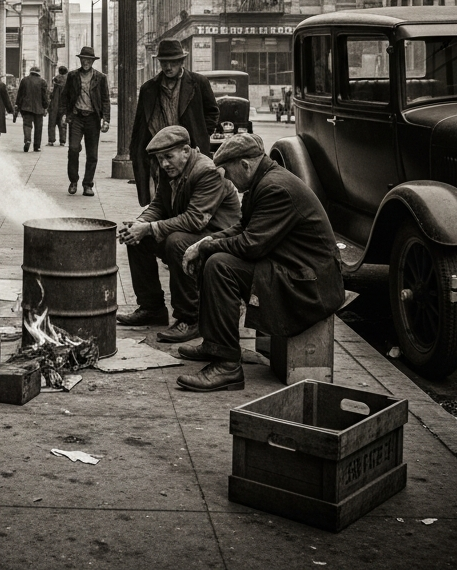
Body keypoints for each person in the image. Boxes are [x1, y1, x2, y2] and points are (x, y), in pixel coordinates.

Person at [175, 134, 345, 393]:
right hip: (295, 270)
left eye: (228, 171)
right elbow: (243, 228)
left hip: (310, 285)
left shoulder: (275, 187)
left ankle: (227, 367)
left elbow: (251, 245)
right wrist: (205, 242)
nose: (227, 179)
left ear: (245, 165)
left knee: (220, 265)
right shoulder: (261, 181)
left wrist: (207, 245)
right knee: (213, 256)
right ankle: (216, 344)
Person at [116, 126, 241, 342]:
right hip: (194, 232)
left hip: (219, 237)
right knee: (137, 239)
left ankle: (190, 318)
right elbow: (159, 206)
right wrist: (140, 224)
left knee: (177, 243)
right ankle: (151, 308)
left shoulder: (207, 171)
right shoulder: (170, 169)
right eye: (159, 158)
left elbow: (195, 219)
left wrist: (149, 228)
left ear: (185, 150)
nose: (164, 163)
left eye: (168, 157)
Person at [130, 38, 219, 206]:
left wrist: (201, 135)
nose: (168, 67)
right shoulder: (148, 89)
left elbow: (212, 112)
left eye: (172, 63)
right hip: (160, 154)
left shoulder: (198, 83)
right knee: (162, 197)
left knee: (192, 196)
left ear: (181, 62)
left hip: (190, 151)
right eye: (164, 63)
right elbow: (140, 124)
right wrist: (138, 152)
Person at [63, 45, 110, 197]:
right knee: (73, 149)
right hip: (76, 117)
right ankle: (73, 181)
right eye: (84, 59)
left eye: (89, 60)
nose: (86, 62)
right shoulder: (72, 76)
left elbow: (105, 100)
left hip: (92, 119)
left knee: (92, 154)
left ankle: (87, 184)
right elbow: (65, 96)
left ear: (92, 61)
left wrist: (106, 120)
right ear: (80, 60)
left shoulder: (100, 77)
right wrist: (64, 114)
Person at [15, 65, 50, 152]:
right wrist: (46, 107)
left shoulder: (24, 80)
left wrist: (18, 105)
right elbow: (44, 96)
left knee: (27, 125)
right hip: (39, 108)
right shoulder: (43, 82)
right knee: (38, 127)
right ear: (39, 73)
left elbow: (20, 94)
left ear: (30, 72)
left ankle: (27, 140)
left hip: (26, 107)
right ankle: (37, 146)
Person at [47, 65, 68, 146]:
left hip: (54, 104)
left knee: (52, 123)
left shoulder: (55, 80)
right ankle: (62, 141)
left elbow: (51, 94)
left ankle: (51, 140)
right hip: (64, 105)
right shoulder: (68, 81)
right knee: (62, 123)